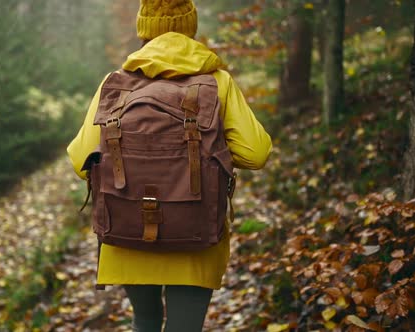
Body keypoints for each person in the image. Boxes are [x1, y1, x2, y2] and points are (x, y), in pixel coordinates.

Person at [67, 0, 272, 331]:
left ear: (143, 29)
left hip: (126, 230)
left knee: (145, 319)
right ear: (190, 26)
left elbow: (80, 160)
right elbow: (257, 153)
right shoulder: (217, 81)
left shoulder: (115, 82)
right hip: (195, 229)